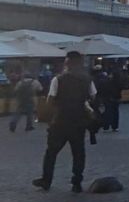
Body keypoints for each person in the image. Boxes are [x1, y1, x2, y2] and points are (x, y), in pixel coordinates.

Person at [33, 51, 97, 193]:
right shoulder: (87, 79)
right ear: (80, 63)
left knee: (51, 153)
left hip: (60, 121)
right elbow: (93, 97)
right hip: (79, 122)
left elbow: (50, 100)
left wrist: (49, 119)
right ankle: (77, 183)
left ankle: (46, 180)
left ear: (67, 63)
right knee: (78, 153)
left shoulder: (58, 79)